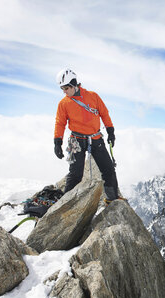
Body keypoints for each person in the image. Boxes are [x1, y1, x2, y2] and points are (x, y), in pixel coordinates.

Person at [53, 68, 121, 204]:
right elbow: (60, 123)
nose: (64, 92)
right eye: (62, 89)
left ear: (73, 84)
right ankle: (64, 204)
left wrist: (111, 131)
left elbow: (104, 113)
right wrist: (57, 142)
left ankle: (112, 200)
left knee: (108, 169)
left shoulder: (93, 96)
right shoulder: (63, 103)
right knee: (75, 175)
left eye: (66, 88)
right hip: (76, 141)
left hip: (95, 138)